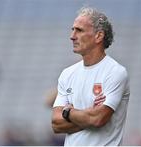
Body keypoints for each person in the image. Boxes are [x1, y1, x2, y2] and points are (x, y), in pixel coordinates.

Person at [51, 7, 130, 146]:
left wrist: (68, 112)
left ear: (99, 36)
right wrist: (87, 116)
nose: (72, 36)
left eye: (79, 30)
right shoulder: (67, 74)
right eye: (72, 29)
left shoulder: (115, 72)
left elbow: (98, 119)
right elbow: (56, 124)